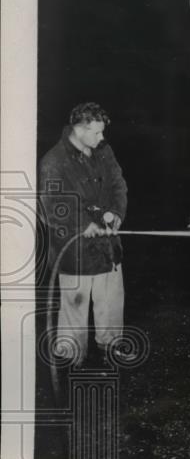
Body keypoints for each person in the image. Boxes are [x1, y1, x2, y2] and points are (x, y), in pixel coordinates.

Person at [39, 102, 131, 365]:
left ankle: (111, 345)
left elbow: (118, 184)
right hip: (74, 248)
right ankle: (70, 354)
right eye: (97, 133)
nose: (102, 138)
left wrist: (115, 212)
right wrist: (82, 225)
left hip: (107, 245)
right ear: (80, 129)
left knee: (111, 299)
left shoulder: (104, 151)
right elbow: (52, 205)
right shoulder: (53, 162)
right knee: (75, 305)